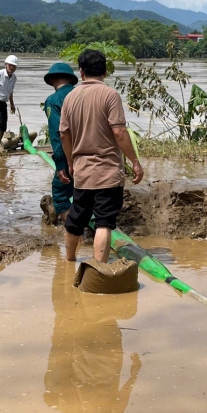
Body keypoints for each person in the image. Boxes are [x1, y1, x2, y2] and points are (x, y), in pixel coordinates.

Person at [59, 48, 144, 264]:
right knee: (104, 222)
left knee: (76, 219)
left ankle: (69, 262)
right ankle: (99, 268)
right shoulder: (110, 95)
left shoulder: (70, 97)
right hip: (106, 171)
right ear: (105, 71)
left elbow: (64, 134)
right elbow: (119, 132)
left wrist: (70, 161)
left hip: (82, 171)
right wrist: (135, 162)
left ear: (81, 72)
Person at [40, 62, 80, 225]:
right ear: (71, 79)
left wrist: (61, 164)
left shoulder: (53, 100)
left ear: (52, 79)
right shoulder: (82, 95)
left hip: (69, 154)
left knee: (61, 196)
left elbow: (59, 134)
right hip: (92, 153)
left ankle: (77, 236)